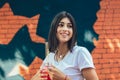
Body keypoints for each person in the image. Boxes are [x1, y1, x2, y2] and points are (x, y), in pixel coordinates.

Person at [31, 11, 99, 80]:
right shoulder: (50, 57)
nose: (65, 29)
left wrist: (64, 78)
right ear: (54, 30)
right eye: (61, 25)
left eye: (69, 26)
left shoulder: (80, 53)